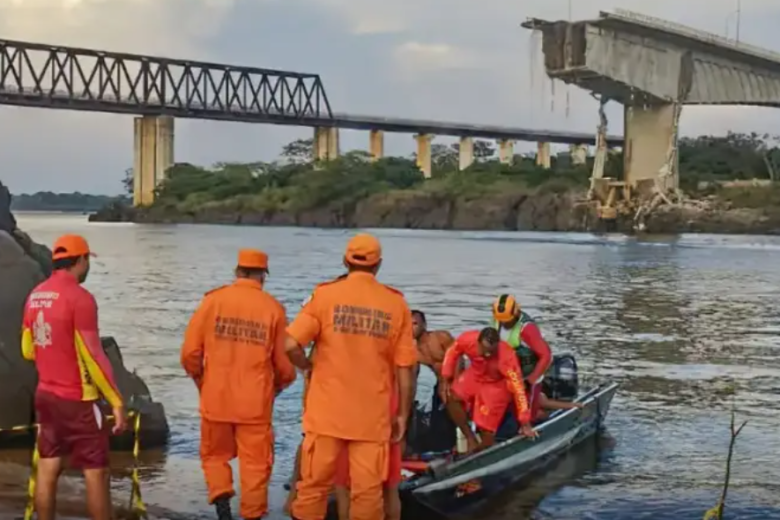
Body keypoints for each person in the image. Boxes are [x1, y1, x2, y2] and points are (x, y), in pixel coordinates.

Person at [285, 233, 418, 520]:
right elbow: (404, 370)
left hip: (326, 415)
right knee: (367, 493)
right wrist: (403, 416)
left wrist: (307, 366)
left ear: (345, 261)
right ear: (378, 265)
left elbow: (289, 344)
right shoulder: (396, 305)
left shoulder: (324, 295)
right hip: (372, 418)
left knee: (313, 487)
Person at [181, 249, 296, 520]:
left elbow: (189, 354)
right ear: (263, 276)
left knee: (214, 457)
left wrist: (202, 381)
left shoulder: (212, 302)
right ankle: (252, 515)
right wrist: (276, 388)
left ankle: (222, 503)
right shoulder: (273, 309)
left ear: (237, 272)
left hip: (215, 399)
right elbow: (285, 366)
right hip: (255, 404)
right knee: (256, 465)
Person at [21, 234, 127, 520]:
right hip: (78, 400)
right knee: (97, 473)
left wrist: (54, 352)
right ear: (80, 261)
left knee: (48, 466)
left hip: (46, 396)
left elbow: (27, 349)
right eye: (86, 260)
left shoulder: (36, 295)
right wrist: (116, 402)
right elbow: (94, 356)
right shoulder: (80, 298)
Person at [440, 327, 536, 453]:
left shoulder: (507, 358)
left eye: (491, 352)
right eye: (484, 350)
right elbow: (453, 351)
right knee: (451, 396)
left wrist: (525, 422)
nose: (487, 355)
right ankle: (470, 438)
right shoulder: (467, 339)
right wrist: (446, 377)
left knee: (486, 429)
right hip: (476, 374)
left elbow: (518, 389)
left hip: (496, 384)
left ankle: (482, 450)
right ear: (478, 342)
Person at [491, 294, 552, 420]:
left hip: (527, 375)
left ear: (516, 312)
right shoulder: (497, 321)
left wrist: (531, 380)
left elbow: (546, 356)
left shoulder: (527, 329)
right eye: (501, 320)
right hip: (508, 374)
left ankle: (542, 414)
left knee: (527, 416)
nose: (504, 323)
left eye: (507, 320)